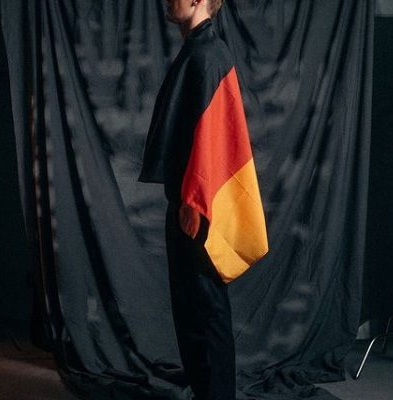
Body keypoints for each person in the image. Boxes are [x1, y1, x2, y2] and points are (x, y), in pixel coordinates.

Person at [139, 1, 268, 399]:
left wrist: (195, 203)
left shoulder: (209, 54)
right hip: (187, 199)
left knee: (205, 308)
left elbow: (216, 137)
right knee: (191, 309)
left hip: (200, 202)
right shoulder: (196, 50)